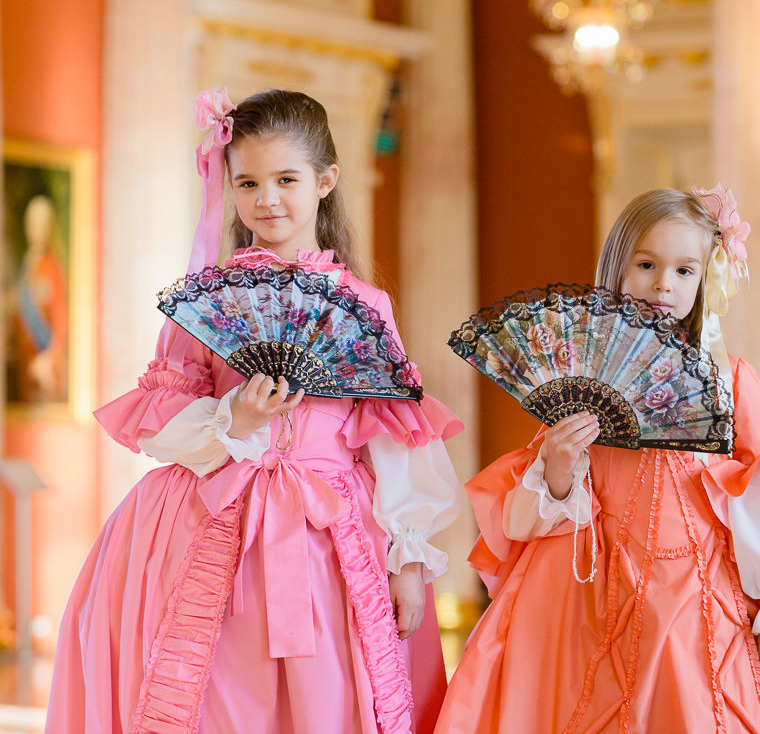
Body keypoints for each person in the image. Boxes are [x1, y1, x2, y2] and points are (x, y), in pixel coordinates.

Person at [45, 88, 464, 734]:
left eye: (286, 180)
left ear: (326, 182)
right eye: (249, 182)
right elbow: (162, 423)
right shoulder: (206, 303)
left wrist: (408, 563)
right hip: (214, 524)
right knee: (219, 697)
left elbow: (396, 442)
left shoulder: (365, 306)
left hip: (329, 536)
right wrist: (234, 422)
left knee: (327, 696)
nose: (267, 200)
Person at [435, 187, 760, 733]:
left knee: (687, 696)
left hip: (698, 587)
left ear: (704, 282)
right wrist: (558, 469)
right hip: (589, 592)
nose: (663, 284)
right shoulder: (582, 379)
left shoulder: (728, 381)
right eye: (647, 264)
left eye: (684, 271)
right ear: (617, 268)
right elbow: (527, 519)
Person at [10, 194, 68, 404]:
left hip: (43, 363)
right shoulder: (28, 265)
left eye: (43, 224)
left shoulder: (52, 267)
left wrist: (51, 357)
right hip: (25, 358)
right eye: (34, 223)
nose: (37, 229)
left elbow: (60, 316)